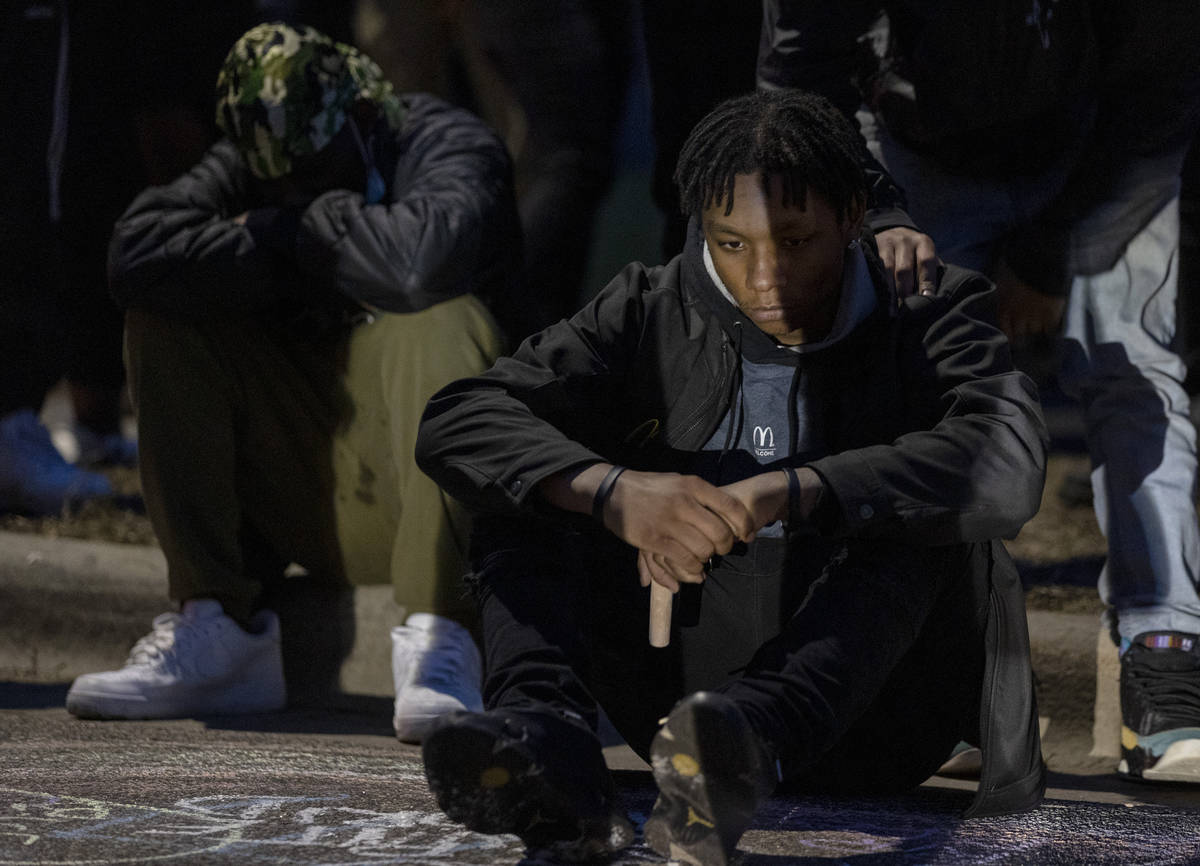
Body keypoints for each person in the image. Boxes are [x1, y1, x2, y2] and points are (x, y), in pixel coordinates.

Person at [414, 89, 1048, 864]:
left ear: (854, 218)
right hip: (676, 708)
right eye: (732, 244)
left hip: (875, 716)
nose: (765, 278)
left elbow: (1008, 459)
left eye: (795, 240)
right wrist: (614, 493)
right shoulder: (647, 307)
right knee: (527, 479)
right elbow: (462, 416)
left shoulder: (929, 308)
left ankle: (747, 744)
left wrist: (797, 489)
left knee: (919, 514)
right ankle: (547, 746)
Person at [758, 0, 1200, 783]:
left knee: (1130, 368)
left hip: (1098, 145)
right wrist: (882, 210)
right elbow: (797, 82)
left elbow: (1157, 92)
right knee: (900, 387)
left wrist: (1043, 257)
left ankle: (1166, 661)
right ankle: (934, 682)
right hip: (912, 150)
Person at [63, 22, 521, 742]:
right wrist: (287, 233)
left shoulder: (443, 142)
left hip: (433, 498)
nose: (290, 185)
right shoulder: (256, 152)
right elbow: (135, 255)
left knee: (441, 318)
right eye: (273, 179)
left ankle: (441, 635)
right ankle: (219, 624)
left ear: (361, 117)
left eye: (312, 169)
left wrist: (304, 222)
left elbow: (415, 266)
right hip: (304, 487)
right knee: (164, 317)